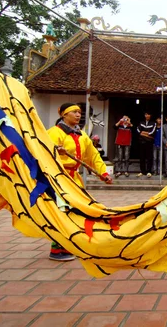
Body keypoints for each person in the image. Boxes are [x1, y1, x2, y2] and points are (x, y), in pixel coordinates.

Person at [47, 102, 112, 261]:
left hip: (74, 179)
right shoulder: (53, 133)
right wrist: (55, 150)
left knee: (78, 210)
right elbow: (42, 152)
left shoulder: (82, 136)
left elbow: (93, 156)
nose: (78, 115)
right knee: (62, 211)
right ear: (63, 114)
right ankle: (57, 249)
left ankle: (73, 242)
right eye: (74, 112)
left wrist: (103, 172)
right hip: (58, 178)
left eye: (79, 112)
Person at [136, 112, 155, 178]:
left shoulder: (153, 123)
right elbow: (138, 130)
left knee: (149, 157)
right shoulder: (141, 122)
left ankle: (149, 171)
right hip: (142, 142)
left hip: (149, 143)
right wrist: (145, 133)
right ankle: (142, 171)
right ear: (144, 115)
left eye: (149, 114)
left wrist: (144, 133)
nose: (147, 115)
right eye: (146, 114)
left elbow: (152, 132)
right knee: (142, 157)